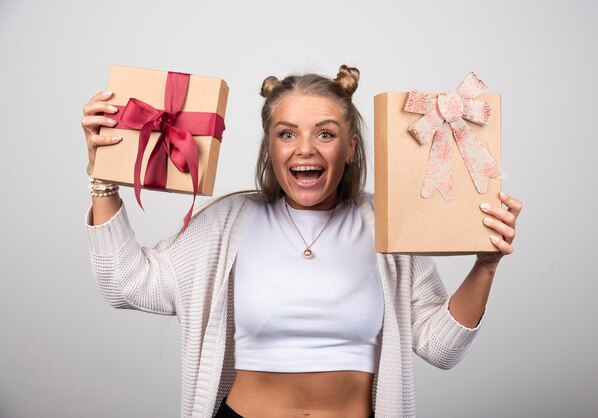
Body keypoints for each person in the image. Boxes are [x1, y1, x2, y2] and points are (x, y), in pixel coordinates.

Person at [82, 65, 522, 418]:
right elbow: (124, 281)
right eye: (287, 133)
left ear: (350, 148)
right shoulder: (229, 223)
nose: (305, 149)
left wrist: (485, 265)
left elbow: (440, 348)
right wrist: (105, 176)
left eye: (325, 134)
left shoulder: (387, 226)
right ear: (269, 147)